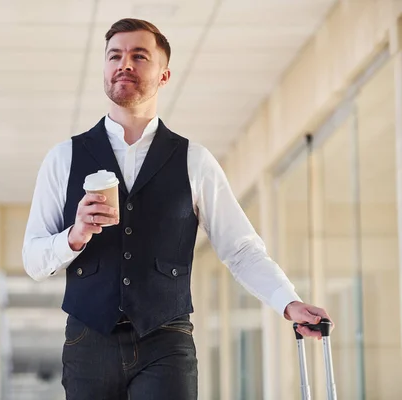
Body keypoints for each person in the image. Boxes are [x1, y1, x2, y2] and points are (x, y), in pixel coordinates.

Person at [22, 17, 332, 400]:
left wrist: (289, 302)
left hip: (165, 343)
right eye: (114, 56)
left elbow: (240, 248)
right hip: (89, 344)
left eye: (139, 56)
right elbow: (33, 260)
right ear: (104, 68)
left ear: (164, 76)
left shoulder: (194, 161)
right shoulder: (64, 158)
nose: (125, 64)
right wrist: (74, 237)